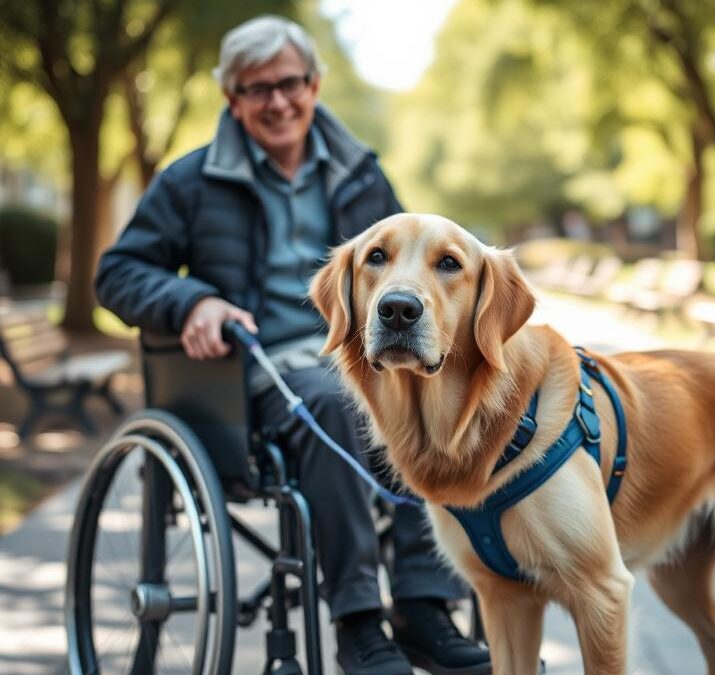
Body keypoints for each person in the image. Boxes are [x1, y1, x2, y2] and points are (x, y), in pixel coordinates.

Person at [96, 15, 492, 675]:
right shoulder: (190, 182)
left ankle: (424, 605)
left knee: (438, 397)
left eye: (288, 83)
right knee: (337, 402)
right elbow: (116, 274)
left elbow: (414, 264)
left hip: (358, 357)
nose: (277, 101)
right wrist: (192, 299)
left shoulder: (361, 173)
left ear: (314, 84)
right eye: (257, 89)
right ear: (233, 100)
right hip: (250, 371)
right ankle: (359, 623)